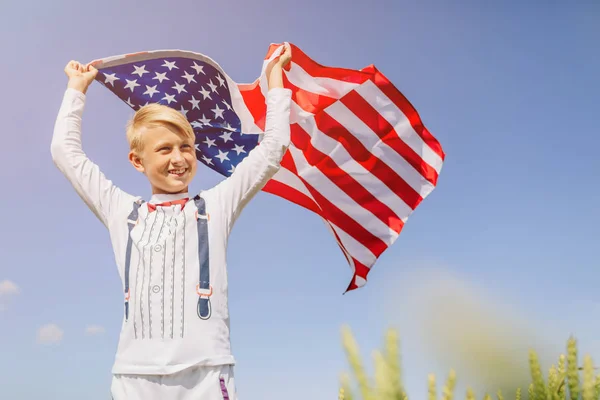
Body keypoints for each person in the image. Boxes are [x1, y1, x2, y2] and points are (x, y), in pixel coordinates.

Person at [51, 44, 293, 399]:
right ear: (138, 161)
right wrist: (76, 89)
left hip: (207, 374)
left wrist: (275, 78)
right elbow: (65, 153)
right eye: (164, 149)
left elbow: (272, 149)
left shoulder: (216, 205)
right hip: (134, 377)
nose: (178, 158)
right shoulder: (122, 211)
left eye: (186, 147)